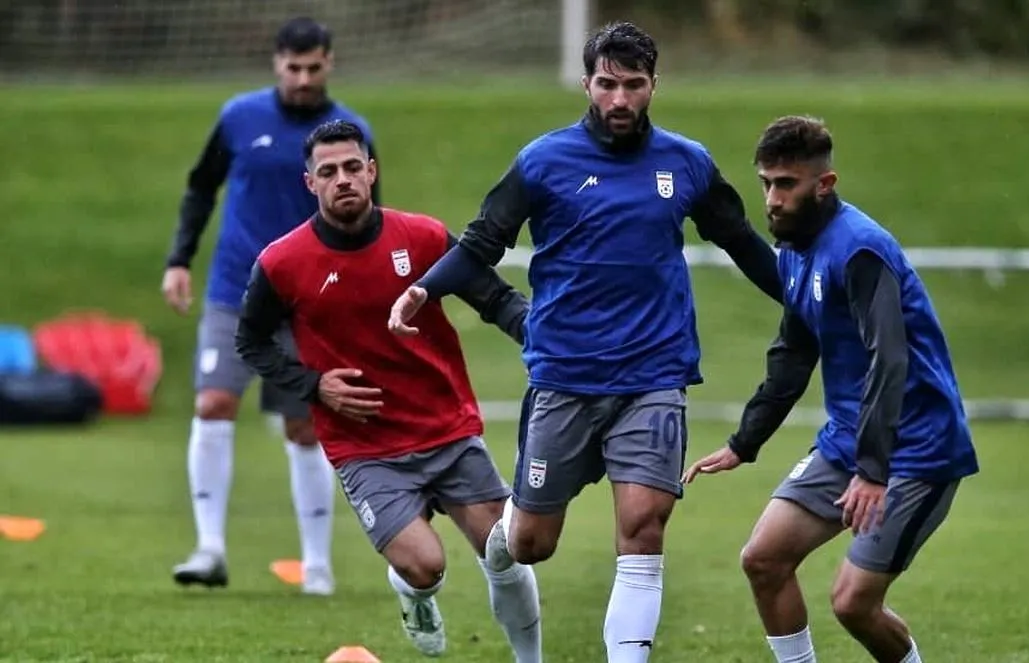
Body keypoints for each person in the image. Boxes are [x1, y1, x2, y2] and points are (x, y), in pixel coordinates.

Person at [388, 21, 783, 663]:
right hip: (565, 377)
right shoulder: (543, 161)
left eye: (634, 85)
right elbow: (483, 241)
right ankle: (500, 546)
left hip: (654, 374)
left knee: (644, 526)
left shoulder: (687, 162)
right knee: (531, 544)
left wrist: (805, 301)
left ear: (654, 85)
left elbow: (742, 242)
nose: (619, 99)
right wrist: (423, 290)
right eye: (607, 84)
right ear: (586, 84)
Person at [235, 119, 542, 661]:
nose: (342, 179)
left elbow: (494, 297)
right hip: (365, 448)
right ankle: (414, 593)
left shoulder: (422, 238)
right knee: (426, 566)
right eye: (328, 172)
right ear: (310, 183)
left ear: (371, 171)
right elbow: (251, 342)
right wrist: (314, 385)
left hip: (447, 430)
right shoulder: (282, 263)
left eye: (352, 167)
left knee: (506, 550)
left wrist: (544, 338)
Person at [683, 115, 980, 663]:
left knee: (853, 603)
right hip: (849, 440)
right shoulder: (796, 251)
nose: (773, 199)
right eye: (766, 183)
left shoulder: (860, 249)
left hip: (918, 448)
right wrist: (744, 442)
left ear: (825, 184)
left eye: (786, 184)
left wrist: (873, 471)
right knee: (763, 559)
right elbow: (793, 355)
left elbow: (890, 358)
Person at [162, 17, 379, 595]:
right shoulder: (239, 117)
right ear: (277, 63)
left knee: (305, 425)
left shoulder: (350, 133)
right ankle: (209, 548)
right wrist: (179, 259)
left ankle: (317, 566)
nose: (303, 79)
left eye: (313, 68)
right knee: (213, 402)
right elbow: (201, 187)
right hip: (235, 290)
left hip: (309, 301)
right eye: (293, 67)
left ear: (329, 63)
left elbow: (366, 222)